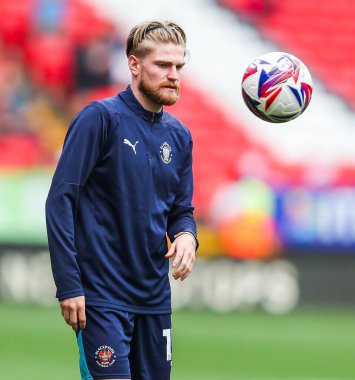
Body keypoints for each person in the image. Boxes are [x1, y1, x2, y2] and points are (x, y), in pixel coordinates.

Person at [45, 20, 198, 380]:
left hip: (154, 300)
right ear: (134, 65)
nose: (173, 75)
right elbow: (60, 201)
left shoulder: (179, 136)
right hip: (101, 298)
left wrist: (187, 235)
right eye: (162, 65)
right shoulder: (99, 119)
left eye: (178, 66)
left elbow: (181, 210)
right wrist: (69, 285)